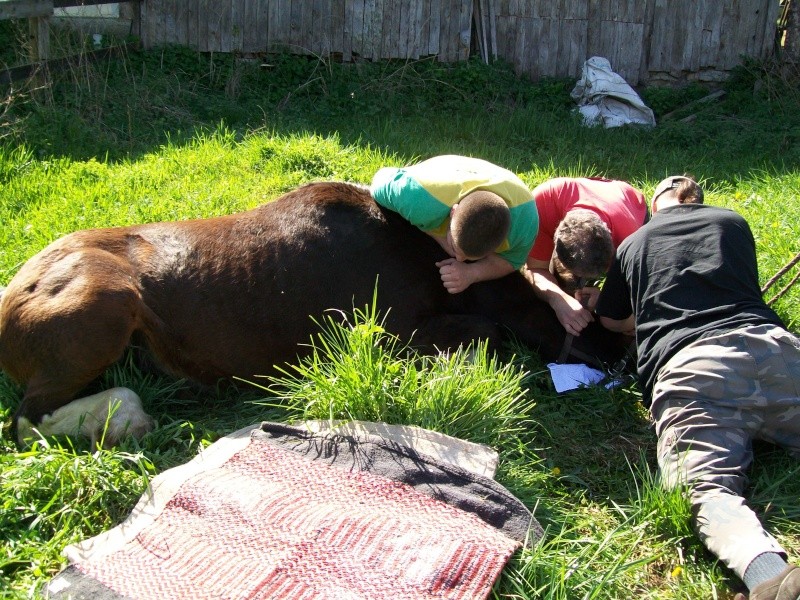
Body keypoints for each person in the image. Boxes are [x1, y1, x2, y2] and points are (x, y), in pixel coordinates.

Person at [595, 175, 800, 600]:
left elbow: (612, 320)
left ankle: (769, 575)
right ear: (698, 200)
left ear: (655, 206)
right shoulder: (732, 222)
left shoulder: (633, 244)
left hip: (693, 369)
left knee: (703, 488)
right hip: (776, 350)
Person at [370, 155, 539, 294]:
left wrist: (472, 273)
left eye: (469, 258)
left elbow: (511, 261)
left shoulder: (525, 225)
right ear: (452, 213)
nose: (458, 259)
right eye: (456, 248)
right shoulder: (419, 200)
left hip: (511, 189)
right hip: (442, 174)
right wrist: (434, 233)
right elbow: (379, 179)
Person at [525, 177, 647, 336]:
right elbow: (534, 269)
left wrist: (606, 299)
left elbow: (642, 303)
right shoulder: (542, 204)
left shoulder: (632, 239)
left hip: (627, 199)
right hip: (584, 195)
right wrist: (558, 299)